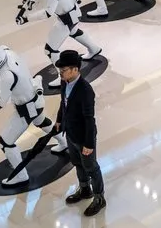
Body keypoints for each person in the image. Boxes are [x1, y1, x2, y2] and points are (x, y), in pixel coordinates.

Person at [0, 40, 67, 187]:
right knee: (41, 121)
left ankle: (20, 175)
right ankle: (64, 142)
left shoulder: (7, 76)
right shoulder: (7, 53)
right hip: (34, 98)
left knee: (5, 142)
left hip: (27, 107)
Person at [16, 0, 103, 86]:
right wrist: (32, 1)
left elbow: (48, 12)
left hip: (67, 18)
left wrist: (26, 19)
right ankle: (94, 48)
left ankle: (63, 76)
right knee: (74, 32)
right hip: (71, 12)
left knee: (50, 49)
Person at [54, 50, 106, 217]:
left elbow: (89, 119)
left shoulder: (85, 90)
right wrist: (59, 120)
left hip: (84, 137)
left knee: (91, 167)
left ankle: (99, 198)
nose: (61, 73)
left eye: (64, 70)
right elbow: (64, 103)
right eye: (60, 70)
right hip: (70, 133)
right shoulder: (65, 82)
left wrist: (89, 144)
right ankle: (85, 190)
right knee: (77, 163)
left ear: (75, 69)